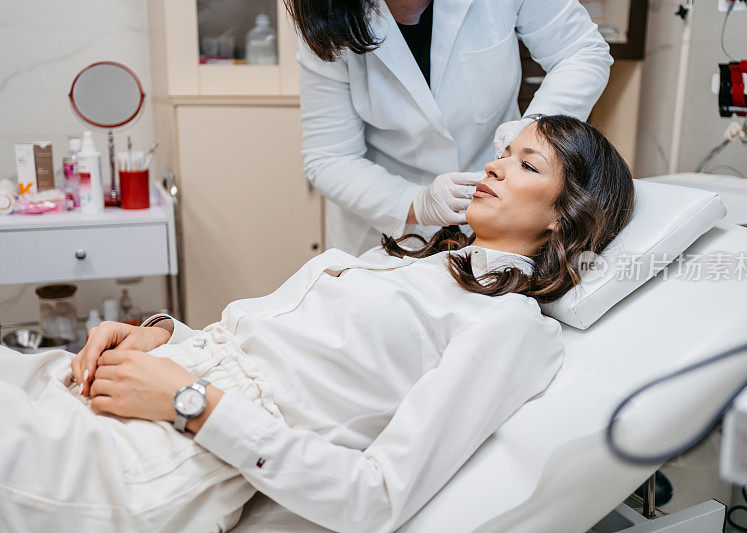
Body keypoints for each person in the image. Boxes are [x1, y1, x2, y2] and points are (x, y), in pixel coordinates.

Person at [0, 116, 633, 533]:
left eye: (528, 165)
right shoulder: (410, 261)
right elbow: (261, 346)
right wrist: (161, 336)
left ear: (563, 216)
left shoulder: (511, 324)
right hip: (127, 387)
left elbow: (376, 498)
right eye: (504, 154)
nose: (494, 166)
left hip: (165, 455)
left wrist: (186, 402)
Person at [290, 0, 614, 255]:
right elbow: (330, 158)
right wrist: (416, 203)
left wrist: (532, 130)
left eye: (528, 164)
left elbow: (581, 52)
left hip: (496, 228)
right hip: (386, 226)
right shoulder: (328, 16)